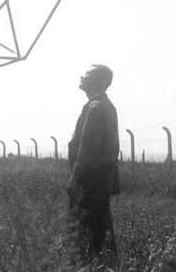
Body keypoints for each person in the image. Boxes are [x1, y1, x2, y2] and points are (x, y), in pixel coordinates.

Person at [67, 64, 120, 261]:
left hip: (89, 182)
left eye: (89, 75)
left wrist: (74, 180)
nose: (83, 77)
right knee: (101, 233)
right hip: (99, 181)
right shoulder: (104, 106)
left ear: (101, 82)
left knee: (85, 236)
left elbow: (87, 149)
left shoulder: (96, 108)